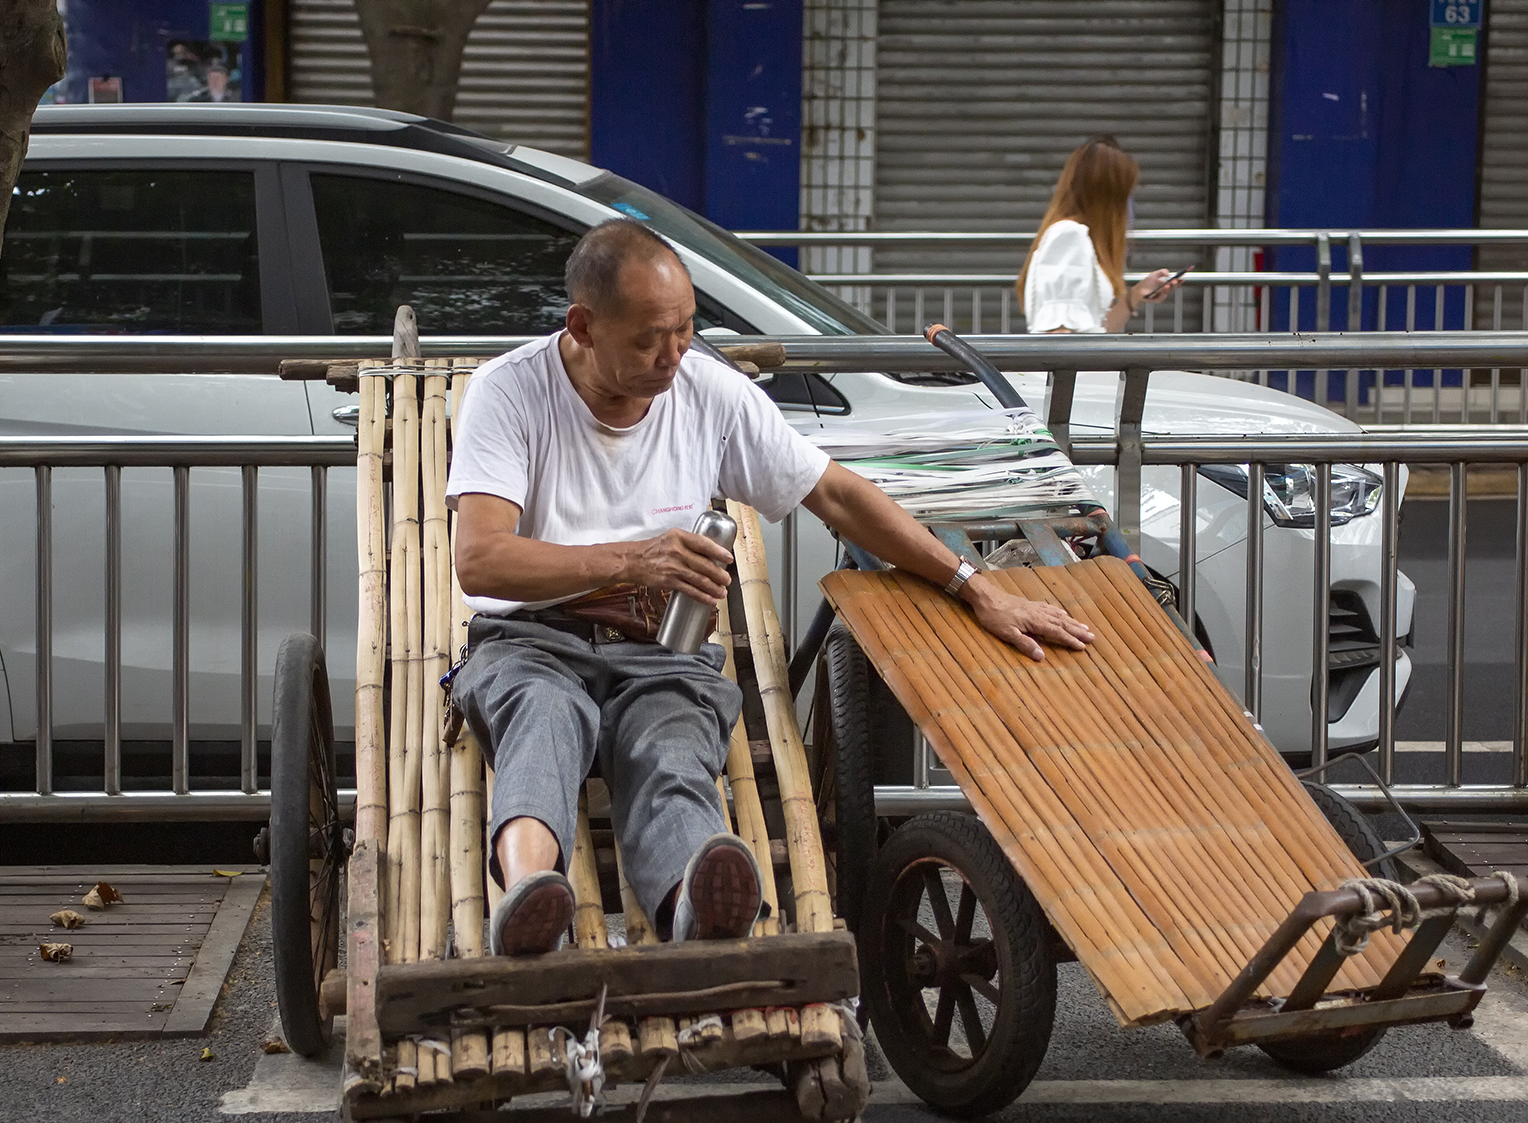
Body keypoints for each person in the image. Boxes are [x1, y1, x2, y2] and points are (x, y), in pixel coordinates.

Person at [448, 220, 1096, 957]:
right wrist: (633, 560)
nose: (674, 354)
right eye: (649, 339)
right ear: (583, 326)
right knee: (542, 718)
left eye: (687, 328)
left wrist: (973, 584)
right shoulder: (511, 391)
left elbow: (840, 496)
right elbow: (481, 560)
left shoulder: (708, 393)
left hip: (662, 651)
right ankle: (533, 898)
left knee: (673, 749)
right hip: (534, 640)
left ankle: (696, 904)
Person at [1016, 136, 1184, 334]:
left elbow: (1094, 332)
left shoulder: (1076, 237)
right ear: (1110, 199)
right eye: (1125, 196)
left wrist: (1136, 296)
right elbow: (1060, 338)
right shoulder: (1069, 236)